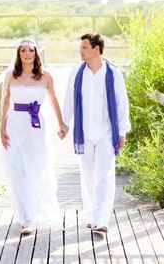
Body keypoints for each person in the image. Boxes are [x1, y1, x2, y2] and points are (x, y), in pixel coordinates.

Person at [63, 33, 131, 233]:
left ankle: (101, 220)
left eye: (84, 47)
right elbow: (68, 101)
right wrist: (64, 124)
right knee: (88, 176)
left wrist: (123, 131)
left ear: (96, 49)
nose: (80, 51)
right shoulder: (76, 73)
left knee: (105, 174)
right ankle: (91, 215)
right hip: (83, 133)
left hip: (107, 133)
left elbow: (121, 104)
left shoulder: (113, 74)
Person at [0, 39, 68, 235]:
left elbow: (54, 100)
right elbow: (5, 102)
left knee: (37, 168)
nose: (27, 54)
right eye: (23, 51)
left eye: (31, 50)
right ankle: (26, 218)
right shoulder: (11, 75)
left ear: (36, 54)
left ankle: (38, 209)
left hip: (37, 127)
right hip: (15, 125)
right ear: (19, 54)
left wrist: (61, 123)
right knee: (17, 169)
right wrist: (1, 127)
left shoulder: (45, 76)